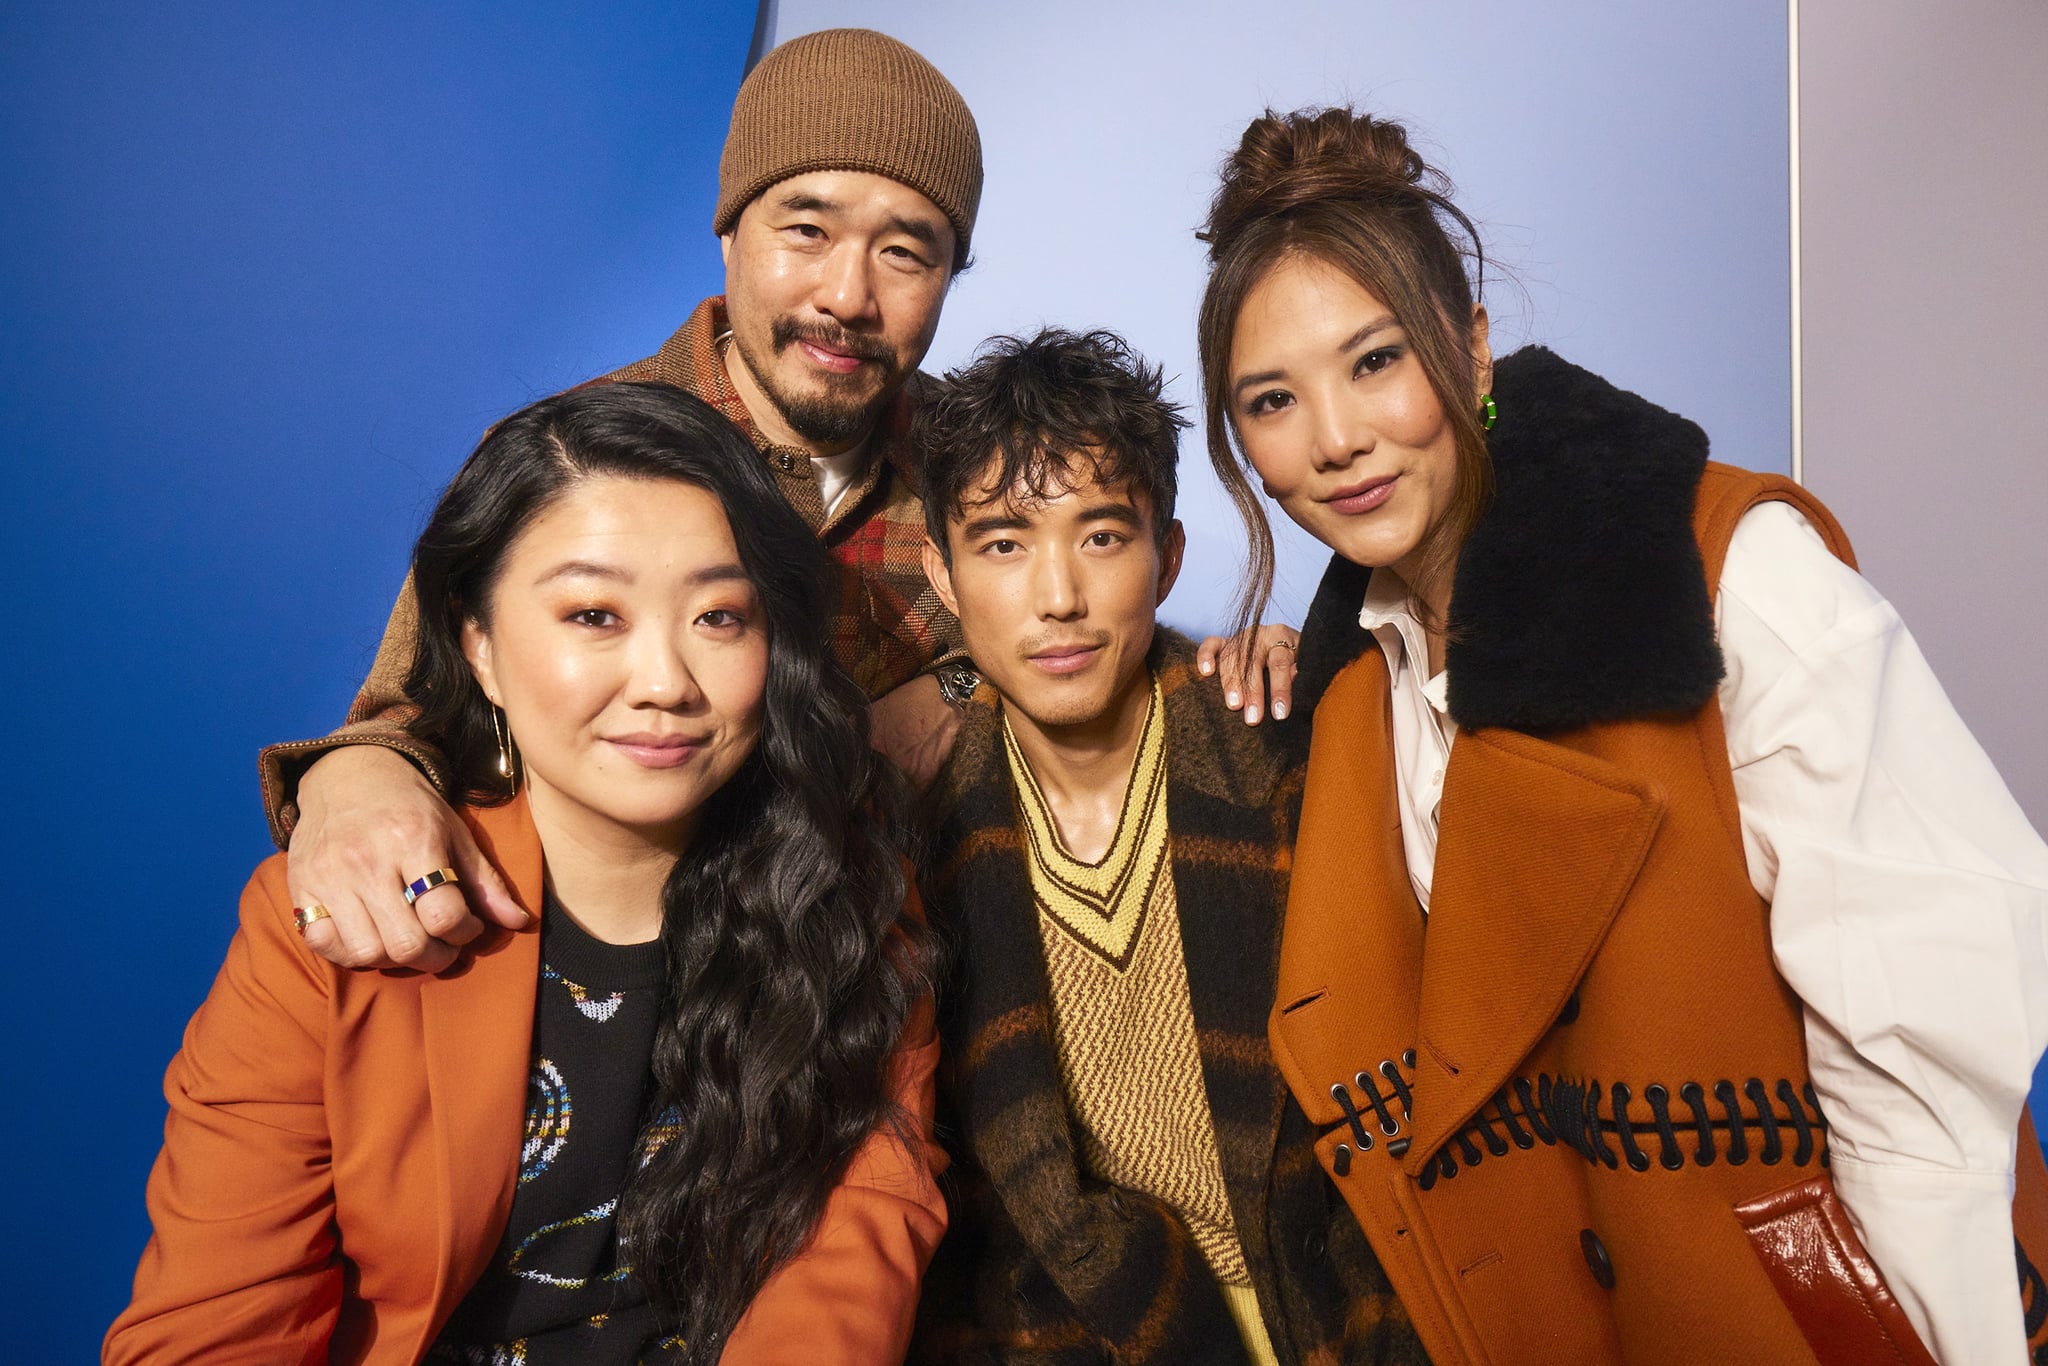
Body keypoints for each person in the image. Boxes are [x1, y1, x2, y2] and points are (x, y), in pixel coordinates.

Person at [1193, 106, 2048, 1366]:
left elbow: (1924, 1041)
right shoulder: (1348, 694)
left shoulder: (1723, 571)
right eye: (1272, 400)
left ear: (1471, 347)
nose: (1333, 439)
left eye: (1374, 360)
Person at [107, 383, 944, 1365]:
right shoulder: (335, 921)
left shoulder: (847, 893)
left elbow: (855, 1250)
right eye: (594, 614)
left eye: (719, 617)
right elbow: (212, 1328)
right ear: (479, 646)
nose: (665, 680)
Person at [264, 27, 988, 975]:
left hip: (871, 996)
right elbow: (407, 718)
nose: (847, 295)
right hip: (585, 988)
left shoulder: (985, 469)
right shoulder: (569, 462)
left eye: (905, 252)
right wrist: (350, 782)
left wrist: (961, 687)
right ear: (730, 230)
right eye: (806, 230)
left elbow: (1096, 644)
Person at [902, 329, 1425, 1366]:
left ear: (1167, 555)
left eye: (1100, 536)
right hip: (1087, 1326)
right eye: (1003, 544)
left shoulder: (1279, 746)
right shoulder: (922, 830)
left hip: (1343, 1301)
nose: (1057, 596)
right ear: (945, 576)